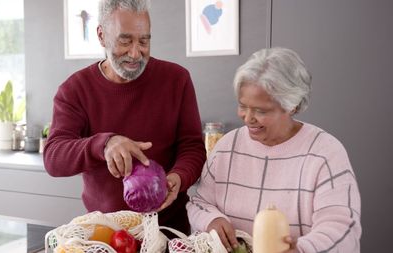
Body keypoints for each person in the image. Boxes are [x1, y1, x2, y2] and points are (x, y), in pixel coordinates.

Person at [43, 0, 205, 234]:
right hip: (106, 235)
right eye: (125, 40)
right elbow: (54, 157)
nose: (135, 53)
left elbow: (193, 148)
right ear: (101, 35)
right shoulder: (74, 90)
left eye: (144, 41)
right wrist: (104, 144)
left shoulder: (177, 79)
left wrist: (178, 178)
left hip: (170, 231)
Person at [186, 47, 361, 252]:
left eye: (261, 110)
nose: (248, 118)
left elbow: (342, 228)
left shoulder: (325, 153)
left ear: (292, 106)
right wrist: (211, 220)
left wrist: (302, 249)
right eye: (243, 106)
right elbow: (200, 202)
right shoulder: (227, 147)